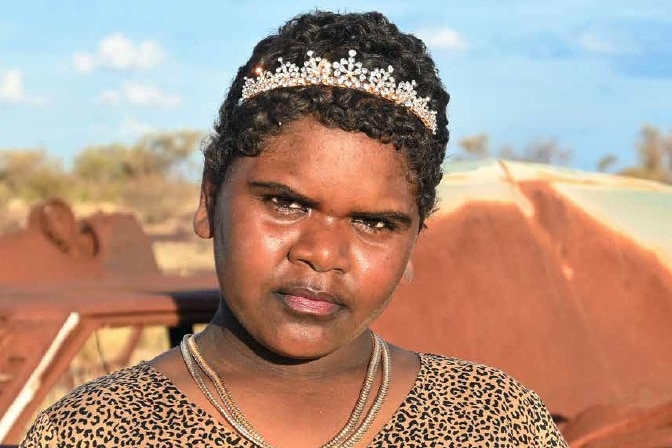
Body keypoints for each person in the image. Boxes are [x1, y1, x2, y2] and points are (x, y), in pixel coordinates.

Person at [20, 10, 567, 447]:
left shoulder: (493, 420)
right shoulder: (94, 430)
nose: (323, 253)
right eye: (285, 203)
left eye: (374, 222)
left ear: (413, 243)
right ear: (210, 198)